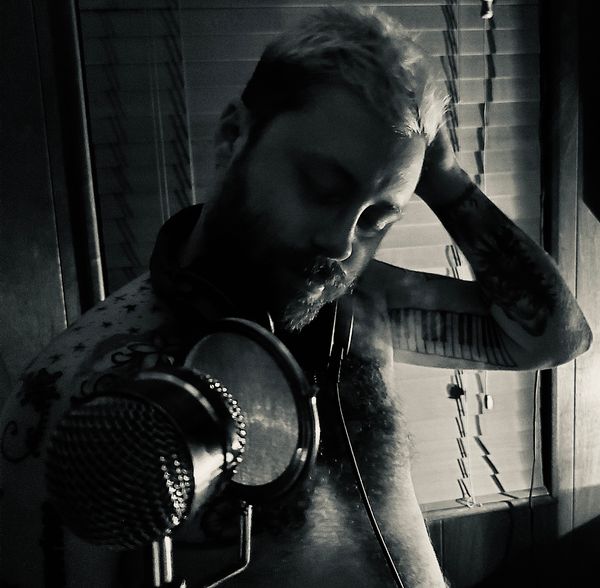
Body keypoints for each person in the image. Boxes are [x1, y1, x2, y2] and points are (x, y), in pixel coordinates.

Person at [0, 6, 592, 588]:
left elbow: (552, 338)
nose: (340, 243)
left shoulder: (360, 306)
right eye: (322, 187)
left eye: (377, 218)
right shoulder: (78, 394)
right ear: (233, 135)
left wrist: (443, 175)